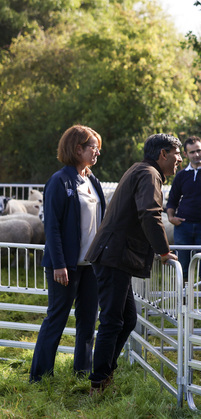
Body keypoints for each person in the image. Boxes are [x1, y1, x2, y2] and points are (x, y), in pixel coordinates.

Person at [85, 133, 181, 394]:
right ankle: (98, 382)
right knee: (112, 321)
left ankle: (105, 373)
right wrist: (163, 251)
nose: (179, 159)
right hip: (114, 256)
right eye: (176, 154)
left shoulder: (141, 170)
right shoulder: (149, 174)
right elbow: (150, 214)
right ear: (163, 154)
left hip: (117, 256)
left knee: (126, 319)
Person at [29, 125, 106, 383]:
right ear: (77, 149)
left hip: (91, 265)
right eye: (93, 147)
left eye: (98, 147)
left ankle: (82, 373)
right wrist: (59, 264)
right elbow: (52, 226)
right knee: (57, 318)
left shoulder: (92, 180)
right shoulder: (59, 180)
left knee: (87, 321)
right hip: (66, 266)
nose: (97, 152)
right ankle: (39, 376)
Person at [166, 136, 201, 280]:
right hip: (183, 227)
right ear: (185, 154)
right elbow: (172, 200)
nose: (196, 155)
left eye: (198, 151)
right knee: (181, 269)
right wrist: (171, 217)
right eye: (192, 152)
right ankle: (182, 302)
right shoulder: (181, 175)